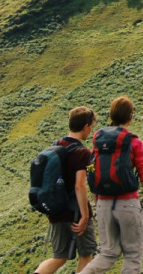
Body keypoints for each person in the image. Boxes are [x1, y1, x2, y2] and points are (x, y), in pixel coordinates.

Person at [78, 97, 143, 274]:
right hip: (127, 203)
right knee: (132, 255)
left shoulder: (98, 138)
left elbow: (92, 170)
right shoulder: (134, 142)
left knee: (108, 253)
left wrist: (98, 202)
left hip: (103, 204)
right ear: (130, 115)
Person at [35, 107, 98, 274]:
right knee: (86, 254)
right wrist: (85, 215)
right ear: (86, 126)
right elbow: (80, 185)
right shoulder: (82, 152)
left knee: (59, 257)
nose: (90, 130)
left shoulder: (55, 146)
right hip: (75, 212)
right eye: (91, 126)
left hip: (56, 211)